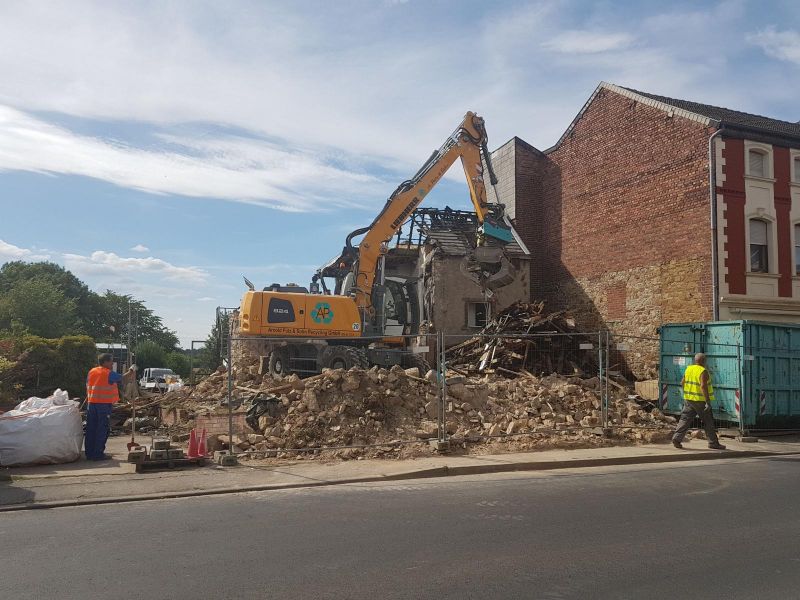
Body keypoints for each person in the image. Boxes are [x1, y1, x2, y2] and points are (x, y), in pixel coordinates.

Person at [672, 353, 726, 450]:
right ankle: (713, 443)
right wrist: (708, 402)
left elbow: (682, 382)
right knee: (708, 422)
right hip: (700, 401)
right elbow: (703, 386)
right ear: (704, 361)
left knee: (684, 420)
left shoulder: (689, 368)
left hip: (688, 399)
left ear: (695, 360)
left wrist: (687, 393)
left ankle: (676, 438)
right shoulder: (703, 371)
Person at [85, 353, 123, 461]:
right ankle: (98, 454)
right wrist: (131, 371)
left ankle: (89, 453)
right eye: (111, 361)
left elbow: (87, 385)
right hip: (103, 406)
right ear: (105, 362)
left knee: (91, 429)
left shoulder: (92, 371)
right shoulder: (108, 373)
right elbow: (122, 378)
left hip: (91, 404)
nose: (112, 363)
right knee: (102, 429)